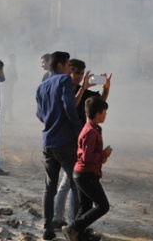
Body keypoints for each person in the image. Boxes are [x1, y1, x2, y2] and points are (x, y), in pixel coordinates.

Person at [53, 59, 112, 229]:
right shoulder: (64, 89)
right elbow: (71, 107)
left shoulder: (82, 90)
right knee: (72, 183)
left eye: (81, 73)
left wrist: (106, 88)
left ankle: (64, 219)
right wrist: (84, 88)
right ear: (67, 72)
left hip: (79, 140)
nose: (79, 76)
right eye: (76, 72)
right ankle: (73, 224)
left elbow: (98, 104)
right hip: (68, 140)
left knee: (69, 181)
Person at [36, 51, 82, 241]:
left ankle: (47, 229)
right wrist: (80, 133)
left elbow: (39, 115)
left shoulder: (41, 86)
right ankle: (76, 227)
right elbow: (70, 108)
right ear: (62, 65)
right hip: (65, 141)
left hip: (48, 141)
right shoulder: (64, 80)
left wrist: (50, 121)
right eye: (69, 65)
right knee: (76, 185)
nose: (71, 69)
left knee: (49, 187)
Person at [62, 97, 112, 241]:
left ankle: (79, 235)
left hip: (82, 173)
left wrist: (102, 157)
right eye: (104, 112)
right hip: (85, 174)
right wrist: (104, 154)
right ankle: (73, 228)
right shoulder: (90, 131)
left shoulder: (93, 128)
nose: (106, 115)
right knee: (103, 206)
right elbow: (87, 157)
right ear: (97, 114)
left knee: (85, 207)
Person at [2, 53, 18, 123]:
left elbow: (15, 76)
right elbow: (6, 77)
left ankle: (10, 117)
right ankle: (2, 118)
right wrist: (11, 81)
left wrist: (13, 80)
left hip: (10, 86)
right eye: (12, 58)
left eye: (14, 58)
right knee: (6, 102)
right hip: (6, 86)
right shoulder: (8, 66)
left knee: (10, 101)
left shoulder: (13, 66)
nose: (13, 60)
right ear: (10, 59)